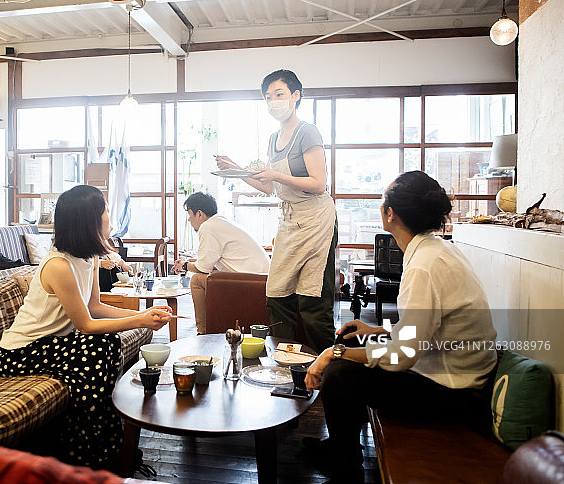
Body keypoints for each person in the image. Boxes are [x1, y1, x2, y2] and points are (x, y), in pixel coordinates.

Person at [304, 171, 497, 483]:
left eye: (382, 201)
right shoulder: (435, 249)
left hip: (454, 392)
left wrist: (331, 354)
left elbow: (403, 355)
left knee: (339, 373)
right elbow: (425, 328)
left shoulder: (424, 265)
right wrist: (377, 330)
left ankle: (345, 470)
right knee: (351, 340)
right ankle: (340, 447)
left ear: (390, 214)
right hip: (452, 374)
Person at [0, 184, 171, 469]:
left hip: (50, 346)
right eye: (106, 211)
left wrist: (144, 313)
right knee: (97, 346)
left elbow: (95, 307)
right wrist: (139, 320)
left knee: (106, 344)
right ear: (89, 220)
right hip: (18, 354)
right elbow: (86, 325)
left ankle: (103, 447)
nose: (110, 217)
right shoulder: (58, 265)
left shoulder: (90, 257)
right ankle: (89, 452)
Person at [216, 69, 337, 352]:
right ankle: (287, 359)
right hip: (290, 219)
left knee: (312, 300)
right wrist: (236, 170)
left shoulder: (307, 131)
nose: (273, 102)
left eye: (279, 94)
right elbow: (269, 187)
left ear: (295, 96)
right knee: (276, 294)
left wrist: (275, 174)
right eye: (268, 97)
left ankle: (324, 367)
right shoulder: (274, 138)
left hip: (316, 219)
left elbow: (318, 183)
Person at [172, 192, 270, 334]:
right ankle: (208, 329)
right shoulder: (220, 222)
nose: (189, 219)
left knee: (196, 280)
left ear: (199, 214)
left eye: (189, 214)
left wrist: (184, 266)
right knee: (209, 275)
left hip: (253, 283)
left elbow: (203, 268)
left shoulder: (208, 227)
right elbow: (209, 261)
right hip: (260, 281)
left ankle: (202, 332)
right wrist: (188, 263)